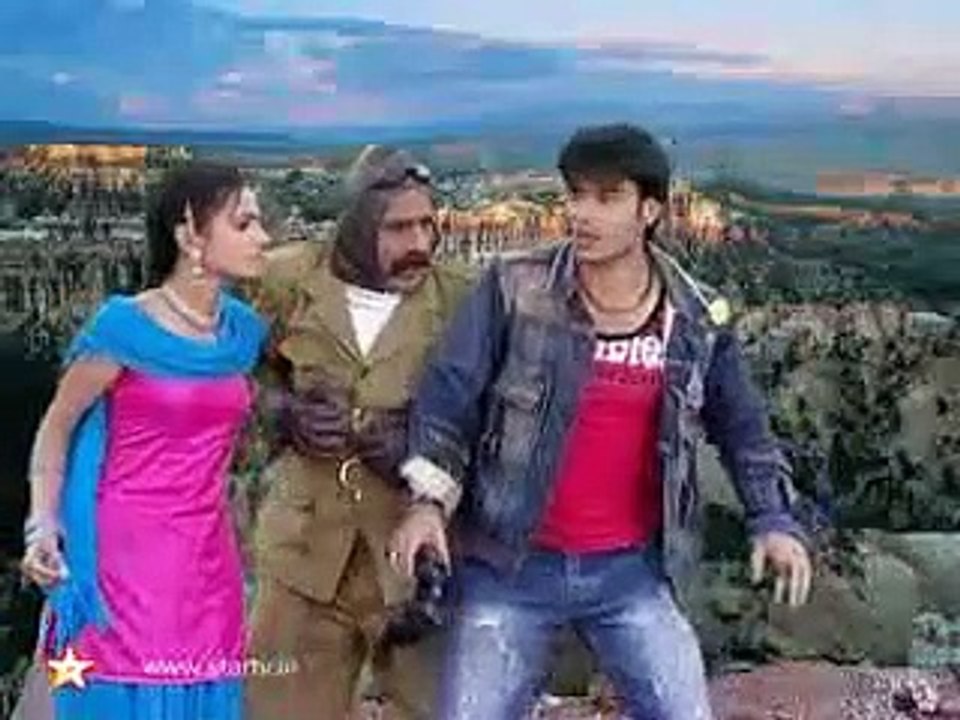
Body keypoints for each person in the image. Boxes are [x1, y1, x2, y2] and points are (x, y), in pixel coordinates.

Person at [390, 123, 814, 720]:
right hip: (510, 568)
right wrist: (427, 504)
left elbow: (743, 428)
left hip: (632, 575)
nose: (582, 213)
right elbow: (449, 397)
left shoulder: (695, 316)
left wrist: (773, 520)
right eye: (575, 194)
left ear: (650, 210)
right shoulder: (514, 287)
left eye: (607, 197)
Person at [19, 162, 271, 720]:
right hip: (125, 563)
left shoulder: (241, 333)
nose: (263, 237)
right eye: (244, 223)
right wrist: (44, 523)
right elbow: (58, 424)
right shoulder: (124, 328)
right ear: (189, 235)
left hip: (208, 563)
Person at [245, 145, 473, 720]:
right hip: (304, 555)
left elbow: (498, 412)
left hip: (415, 563)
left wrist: (421, 445)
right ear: (356, 224)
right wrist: (280, 412)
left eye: (427, 225)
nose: (419, 243)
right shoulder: (286, 281)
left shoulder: (462, 299)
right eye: (398, 228)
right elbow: (231, 375)